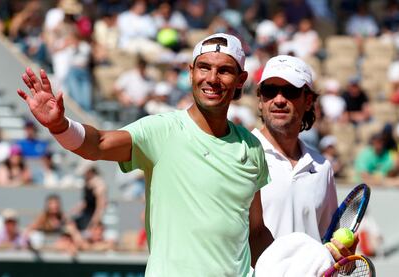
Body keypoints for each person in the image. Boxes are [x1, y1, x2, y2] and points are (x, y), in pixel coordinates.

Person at [18, 32, 273, 276]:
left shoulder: (251, 146)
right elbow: (99, 144)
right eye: (204, 67)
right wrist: (60, 126)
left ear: (241, 80)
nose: (212, 78)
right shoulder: (162, 129)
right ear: (191, 72)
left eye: (224, 70)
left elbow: (256, 231)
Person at [251, 54, 357, 260]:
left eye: (290, 92)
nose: (279, 100)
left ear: (308, 101)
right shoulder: (240, 156)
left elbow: (328, 243)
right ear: (260, 100)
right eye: (270, 91)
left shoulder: (322, 167)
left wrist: (342, 258)